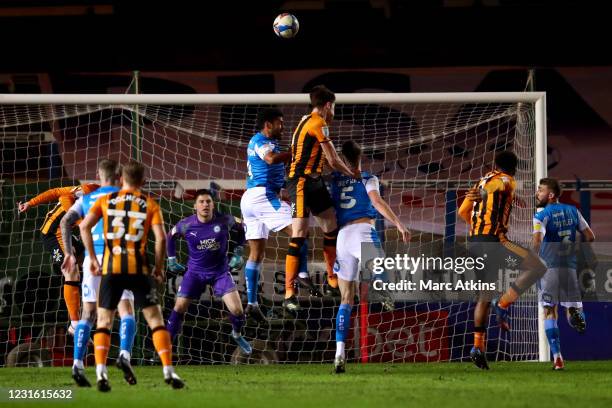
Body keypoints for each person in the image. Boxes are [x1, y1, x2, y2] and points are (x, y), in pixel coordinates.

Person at [79, 161, 183, 391]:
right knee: (155, 320)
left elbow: (84, 226)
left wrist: (94, 261)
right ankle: (168, 370)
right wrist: (158, 267)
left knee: (104, 322)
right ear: (143, 181)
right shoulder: (149, 203)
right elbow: (162, 238)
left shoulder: (105, 200)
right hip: (138, 269)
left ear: (121, 179)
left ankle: (101, 374)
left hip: (111, 268)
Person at [458, 150, 547, 370]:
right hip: (494, 241)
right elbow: (499, 187)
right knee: (538, 266)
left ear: (495, 165)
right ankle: (504, 302)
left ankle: (477, 347)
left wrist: (479, 219)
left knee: (483, 297)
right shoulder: (506, 181)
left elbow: (462, 211)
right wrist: (491, 197)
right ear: (514, 168)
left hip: (475, 242)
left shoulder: (481, 180)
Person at [329, 140, 411, 373]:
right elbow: (376, 201)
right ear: (360, 158)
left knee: (346, 299)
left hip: (342, 237)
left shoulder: (334, 180)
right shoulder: (368, 178)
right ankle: (384, 287)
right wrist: (398, 224)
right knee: (381, 267)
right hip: (363, 231)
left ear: (342, 159)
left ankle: (339, 353)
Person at [60, 159, 136, 387]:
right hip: (118, 258)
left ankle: (77, 363)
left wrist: (70, 253)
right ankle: (124, 355)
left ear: (99, 176)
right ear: (120, 176)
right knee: (126, 311)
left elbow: (66, 221)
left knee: (88, 314)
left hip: (92, 259)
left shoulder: (86, 198)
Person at [283, 85, 360, 312]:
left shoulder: (306, 119)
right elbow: (334, 160)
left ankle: (331, 279)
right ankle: (289, 293)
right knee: (299, 233)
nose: (334, 111)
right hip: (299, 182)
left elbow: (318, 157)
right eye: (334, 107)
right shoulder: (320, 123)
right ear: (328, 105)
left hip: (314, 181)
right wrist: (353, 174)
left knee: (330, 225)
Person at [240, 108, 319, 323]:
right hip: (262, 196)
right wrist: (295, 153)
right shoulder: (259, 140)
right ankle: (301, 275)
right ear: (268, 124)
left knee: (256, 254)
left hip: (253, 199)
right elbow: (271, 159)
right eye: (280, 123)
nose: (282, 126)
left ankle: (252, 303)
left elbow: (276, 169)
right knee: (299, 230)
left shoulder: (271, 143)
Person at [166, 189, 252, 355]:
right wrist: (171, 259)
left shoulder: (225, 219)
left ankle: (237, 334)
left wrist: (239, 251)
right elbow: (170, 236)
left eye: (208, 202)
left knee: (237, 311)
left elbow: (243, 227)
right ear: (195, 206)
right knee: (179, 306)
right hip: (194, 273)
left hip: (220, 273)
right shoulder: (186, 224)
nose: (205, 204)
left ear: (213, 205)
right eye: (201, 202)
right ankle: (166, 346)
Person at [18, 181, 98, 333]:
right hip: (53, 234)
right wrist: (30, 203)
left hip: (68, 234)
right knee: (71, 271)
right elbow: (60, 195)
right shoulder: (86, 191)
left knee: (90, 265)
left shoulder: (109, 198)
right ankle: (74, 323)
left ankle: (88, 311)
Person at [533, 177, 595, 370]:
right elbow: (591, 236)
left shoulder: (541, 215)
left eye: (540, 190)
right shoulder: (573, 211)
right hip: (569, 267)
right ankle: (578, 316)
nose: (537, 193)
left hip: (549, 268)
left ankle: (558, 357)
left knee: (549, 311)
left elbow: (537, 241)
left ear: (550, 195)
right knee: (572, 309)